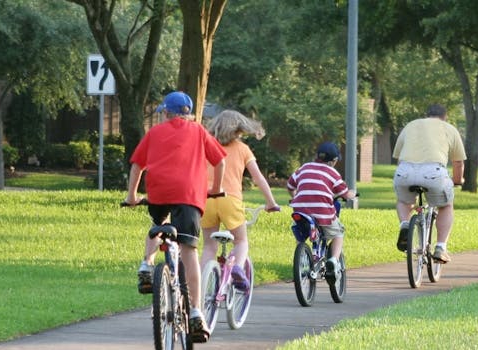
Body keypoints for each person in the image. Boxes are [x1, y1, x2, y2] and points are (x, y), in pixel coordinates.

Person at [123, 91, 224, 343]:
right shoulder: (199, 131)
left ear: (167, 112)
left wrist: (132, 196)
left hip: (158, 194)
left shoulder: (154, 133)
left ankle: (146, 265)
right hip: (189, 196)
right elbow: (219, 160)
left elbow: (137, 164)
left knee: (158, 226)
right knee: (189, 250)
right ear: (188, 113)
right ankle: (197, 313)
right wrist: (215, 190)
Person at [200, 110, 281, 292]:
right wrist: (271, 202)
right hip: (230, 200)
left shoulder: (206, 146)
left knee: (209, 247)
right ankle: (237, 266)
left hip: (206, 199)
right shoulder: (243, 149)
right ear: (239, 129)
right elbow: (258, 178)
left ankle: (201, 283)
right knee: (241, 240)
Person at [392, 104, 466, 263]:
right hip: (433, 172)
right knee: (446, 205)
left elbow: (398, 157)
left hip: (404, 170)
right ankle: (440, 248)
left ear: (427, 115)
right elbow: (458, 163)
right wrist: (458, 180)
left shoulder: (410, 125)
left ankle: (405, 225)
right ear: (444, 117)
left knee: (404, 201)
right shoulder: (449, 128)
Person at [286, 142, 357, 276]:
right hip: (322, 212)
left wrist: (295, 196)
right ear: (332, 161)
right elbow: (345, 193)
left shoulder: (304, 167)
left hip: (300, 210)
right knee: (338, 233)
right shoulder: (333, 173)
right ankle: (334, 260)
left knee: (301, 232)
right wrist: (352, 194)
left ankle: (301, 259)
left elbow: (290, 185)